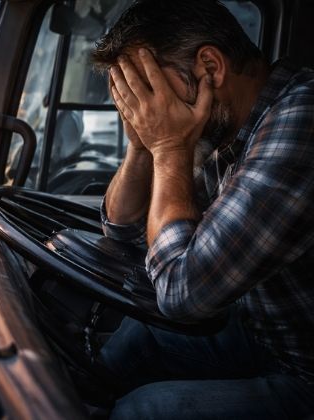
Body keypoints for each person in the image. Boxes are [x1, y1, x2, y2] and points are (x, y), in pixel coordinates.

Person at [91, 1, 314, 418]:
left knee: (142, 412)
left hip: (304, 372)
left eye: (149, 89)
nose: (145, 108)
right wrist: (142, 145)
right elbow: (122, 233)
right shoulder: (229, 129)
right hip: (260, 336)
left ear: (210, 68)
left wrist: (168, 147)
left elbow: (182, 292)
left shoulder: (301, 121)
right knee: (138, 338)